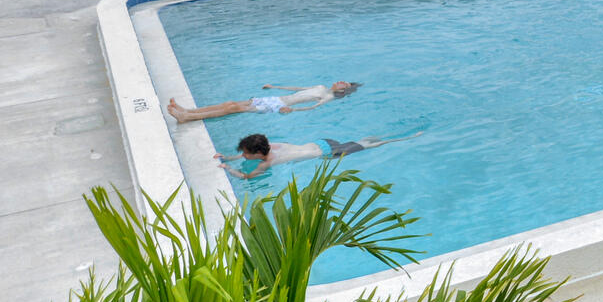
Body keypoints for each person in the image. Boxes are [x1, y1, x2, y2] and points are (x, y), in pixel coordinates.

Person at [216, 130, 422, 179]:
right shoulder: (272, 145)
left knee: (367, 146)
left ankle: (400, 139)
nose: (242, 154)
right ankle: (385, 135)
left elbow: (246, 177)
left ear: (258, 153)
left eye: (245, 152)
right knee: (362, 141)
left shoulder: (266, 163)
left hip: (331, 152)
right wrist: (226, 157)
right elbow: (244, 156)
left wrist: (228, 168)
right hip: (323, 142)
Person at [168, 81, 361, 124]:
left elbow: (312, 106)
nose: (339, 81)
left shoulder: (327, 97)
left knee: (233, 108)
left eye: (343, 83)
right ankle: (189, 111)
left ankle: (186, 118)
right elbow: (297, 89)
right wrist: (274, 87)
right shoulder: (321, 87)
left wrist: (291, 111)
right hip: (276, 98)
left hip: (278, 106)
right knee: (231, 103)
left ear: (343, 89)